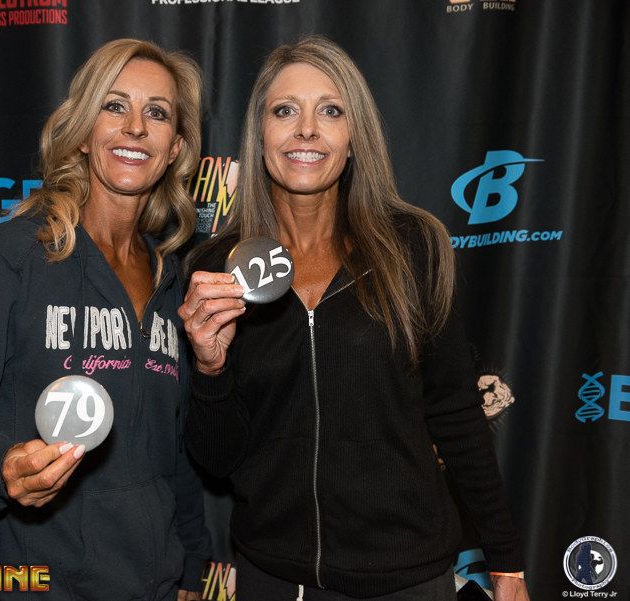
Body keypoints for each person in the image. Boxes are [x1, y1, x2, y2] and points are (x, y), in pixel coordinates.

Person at [179, 36, 530, 601]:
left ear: (354, 137)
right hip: (274, 576)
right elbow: (216, 461)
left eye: (331, 111)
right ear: (259, 134)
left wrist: (506, 561)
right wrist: (210, 368)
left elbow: (456, 415)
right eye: (285, 110)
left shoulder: (415, 246)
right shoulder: (216, 270)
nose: (306, 130)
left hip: (407, 578)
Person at [0, 39, 210, 601]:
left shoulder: (172, 281)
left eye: (157, 113)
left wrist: (190, 567)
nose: (136, 127)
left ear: (175, 149)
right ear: (83, 133)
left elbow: (172, 449)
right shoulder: (11, 259)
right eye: (114, 106)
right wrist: (0, 466)